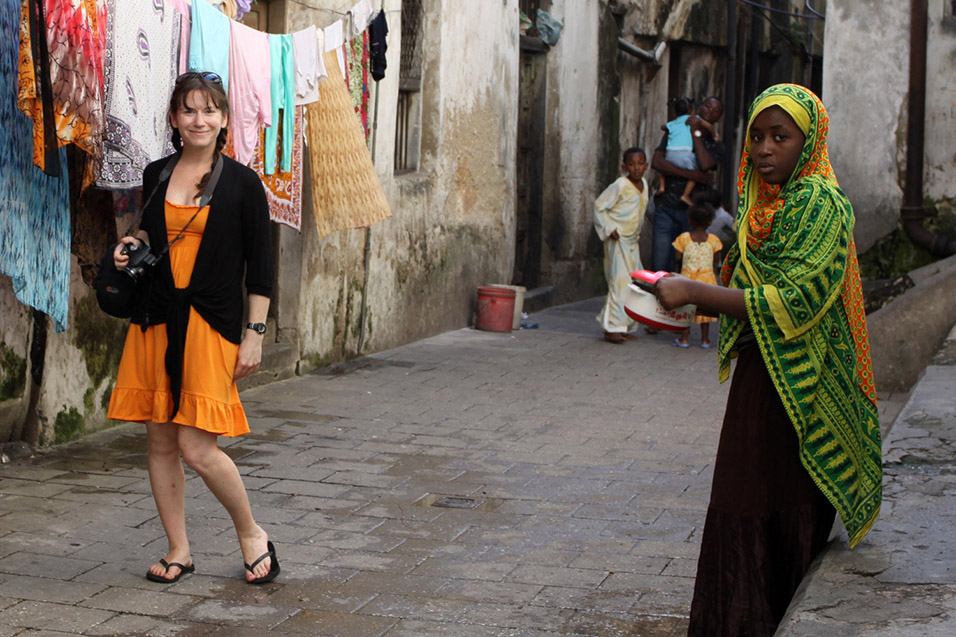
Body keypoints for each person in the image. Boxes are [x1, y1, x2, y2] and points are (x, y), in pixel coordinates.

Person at [655, 84, 882, 635]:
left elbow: (795, 300)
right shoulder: (761, 207)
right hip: (762, 382)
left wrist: (694, 292)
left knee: (781, 513)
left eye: (781, 137)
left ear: (810, 142)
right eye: (757, 136)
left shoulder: (822, 206)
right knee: (740, 505)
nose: (764, 149)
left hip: (806, 391)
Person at [107, 72, 280, 586]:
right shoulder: (156, 172)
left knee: (198, 447)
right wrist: (129, 245)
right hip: (156, 321)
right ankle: (178, 548)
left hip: (210, 324)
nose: (198, 120)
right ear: (175, 120)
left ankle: (251, 533)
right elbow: (149, 232)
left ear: (224, 119)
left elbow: (262, 267)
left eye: (208, 110)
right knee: (160, 441)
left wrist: (255, 333)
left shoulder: (244, 184)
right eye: (188, 110)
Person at [650, 96, 725, 275]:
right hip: (666, 206)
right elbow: (658, 162)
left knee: (689, 267)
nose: (709, 111)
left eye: (715, 110)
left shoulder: (715, 143)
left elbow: (705, 164)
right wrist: (695, 175)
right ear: (700, 107)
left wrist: (695, 133)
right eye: (707, 106)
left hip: (692, 213)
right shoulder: (675, 130)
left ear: (717, 118)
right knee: (660, 264)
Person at [593, 147, 649, 344]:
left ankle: (626, 325)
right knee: (619, 283)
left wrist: (638, 229)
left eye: (640, 164)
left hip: (633, 241)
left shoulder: (644, 184)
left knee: (634, 284)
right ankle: (612, 327)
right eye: (632, 164)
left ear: (646, 166)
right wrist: (609, 228)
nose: (636, 168)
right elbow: (600, 206)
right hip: (618, 241)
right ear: (625, 167)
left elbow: (639, 211)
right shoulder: (619, 185)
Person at [670, 202, 722, 348]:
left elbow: (677, 257)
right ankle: (705, 340)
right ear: (710, 222)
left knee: (685, 309)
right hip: (707, 279)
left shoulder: (684, 238)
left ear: (689, 220)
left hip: (686, 279)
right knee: (705, 310)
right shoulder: (714, 240)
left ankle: (684, 339)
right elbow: (716, 260)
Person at [656, 97, 698, 207]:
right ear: (691, 110)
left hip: (670, 154)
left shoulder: (671, 124)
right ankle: (686, 195)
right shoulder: (693, 119)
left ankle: (662, 186)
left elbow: (663, 127)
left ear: (674, 112)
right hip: (685, 154)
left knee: (661, 169)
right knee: (696, 171)